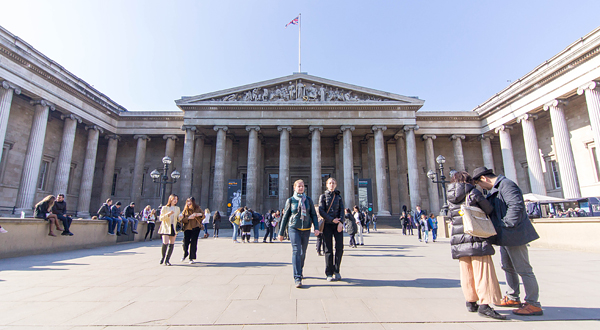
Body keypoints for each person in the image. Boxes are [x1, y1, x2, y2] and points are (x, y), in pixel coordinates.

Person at [473, 167, 543, 316]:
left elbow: (516, 206)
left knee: (524, 269)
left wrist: (506, 224)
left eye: (480, 184)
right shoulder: (496, 188)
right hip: (505, 235)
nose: (482, 188)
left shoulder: (507, 185)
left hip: (514, 233)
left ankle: (533, 303)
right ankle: (513, 296)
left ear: (484, 179)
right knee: (507, 267)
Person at [447, 170, 505, 320]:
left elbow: (449, 216)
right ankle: (485, 304)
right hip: (475, 234)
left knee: (466, 270)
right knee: (483, 269)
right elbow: (488, 209)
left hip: (459, 238)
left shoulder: (450, 196)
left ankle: (471, 301)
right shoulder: (473, 192)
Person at [278, 179, 320, 288]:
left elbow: (314, 215)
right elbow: (285, 217)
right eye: (299, 186)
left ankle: (300, 269)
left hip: (306, 229)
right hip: (294, 228)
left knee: (303, 252)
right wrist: (281, 232)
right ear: (294, 188)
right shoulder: (290, 200)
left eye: (302, 186)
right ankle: (297, 277)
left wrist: (316, 227)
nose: (301, 188)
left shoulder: (308, 200)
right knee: (296, 250)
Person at [318, 178, 345, 282]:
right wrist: (331, 219)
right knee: (328, 249)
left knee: (339, 248)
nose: (332, 185)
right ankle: (329, 272)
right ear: (326, 185)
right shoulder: (323, 196)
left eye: (333, 183)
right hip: (328, 225)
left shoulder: (338, 196)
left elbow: (342, 210)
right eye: (330, 183)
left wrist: (341, 222)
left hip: (338, 225)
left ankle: (337, 270)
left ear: (336, 184)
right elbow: (321, 210)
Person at [158, 194, 183, 266]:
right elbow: (161, 218)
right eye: (174, 199)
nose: (175, 200)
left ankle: (167, 259)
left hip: (173, 227)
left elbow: (177, 219)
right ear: (170, 199)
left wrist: (180, 217)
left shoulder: (177, 208)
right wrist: (168, 214)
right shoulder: (164, 208)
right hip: (166, 227)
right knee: (165, 243)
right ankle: (163, 257)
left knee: (171, 244)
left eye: (176, 199)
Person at [181, 197, 204, 264]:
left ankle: (191, 258)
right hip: (187, 228)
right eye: (188, 201)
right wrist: (188, 218)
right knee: (185, 242)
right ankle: (185, 253)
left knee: (194, 242)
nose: (189, 203)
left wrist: (198, 214)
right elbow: (182, 220)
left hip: (196, 227)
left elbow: (203, 215)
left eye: (190, 201)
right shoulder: (185, 210)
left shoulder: (197, 208)